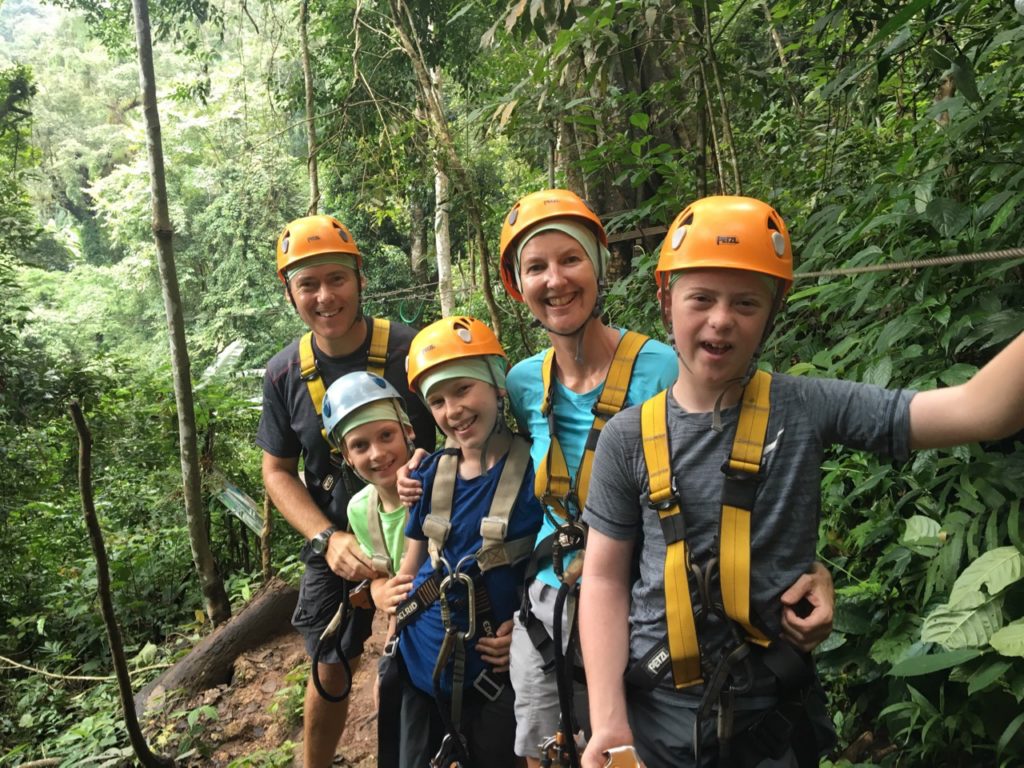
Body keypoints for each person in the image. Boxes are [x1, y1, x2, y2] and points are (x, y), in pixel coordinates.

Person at [578, 195, 1024, 768]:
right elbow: (605, 579)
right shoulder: (627, 438)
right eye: (701, 299)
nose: (720, 320)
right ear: (666, 303)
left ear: (772, 311)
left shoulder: (804, 407)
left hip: (771, 712)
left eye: (745, 302)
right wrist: (609, 720)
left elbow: (978, 410)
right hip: (657, 709)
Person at [400, 189, 837, 767]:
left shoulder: (663, 367)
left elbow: (728, 475)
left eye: (570, 259)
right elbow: (475, 432)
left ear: (599, 265)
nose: (555, 280)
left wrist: (811, 567)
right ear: (517, 285)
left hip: (647, 597)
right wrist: (418, 464)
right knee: (541, 745)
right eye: (536, 267)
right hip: (548, 598)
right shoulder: (526, 382)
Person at [256, 214, 435, 768]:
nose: (324, 296)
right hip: (342, 531)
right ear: (290, 294)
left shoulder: (414, 352)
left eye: (336, 278)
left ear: (359, 279)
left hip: (428, 529)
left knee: (435, 649)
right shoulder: (285, 374)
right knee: (329, 660)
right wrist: (327, 538)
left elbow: (466, 429)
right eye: (307, 284)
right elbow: (277, 471)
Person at [391, 315, 543, 768]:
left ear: (498, 385)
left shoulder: (536, 469)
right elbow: (411, 563)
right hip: (420, 672)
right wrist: (392, 603)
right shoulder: (428, 473)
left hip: (492, 681)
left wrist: (525, 628)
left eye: (463, 390)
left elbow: (554, 565)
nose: (452, 410)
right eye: (437, 400)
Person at [321, 371, 419, 768]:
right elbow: (385, 574)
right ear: (346, 456)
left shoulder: (441, 482)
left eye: (385, 436)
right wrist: (377, 592)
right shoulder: (361, 510)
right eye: (360, 446)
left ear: (406, 431)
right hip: (409, 633)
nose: (376, 454)